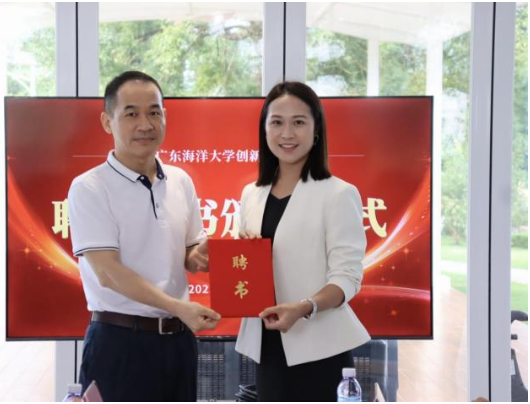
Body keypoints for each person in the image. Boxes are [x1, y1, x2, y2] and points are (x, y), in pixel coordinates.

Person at [68, 70, 221, 401]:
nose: (145, 124)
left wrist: (201, 255)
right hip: (119, 343)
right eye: (131, 114)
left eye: (154, 112)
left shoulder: (180, 181)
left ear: (165, 116)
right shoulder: (90, 187)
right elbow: (108, 272)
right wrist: (177, 306)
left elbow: (190, 255)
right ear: (107, 122)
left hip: (178, 343)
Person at [235, 81, 370, 401]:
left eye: (298, 122)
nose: (287, 133)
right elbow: (249, 269)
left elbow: (347, 278)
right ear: (264, 130)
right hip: (267, 346)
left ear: (316, 129)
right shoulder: (251, 194)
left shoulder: (339, 194)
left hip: (320, 349)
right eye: (276, 122)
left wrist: (305, 307)